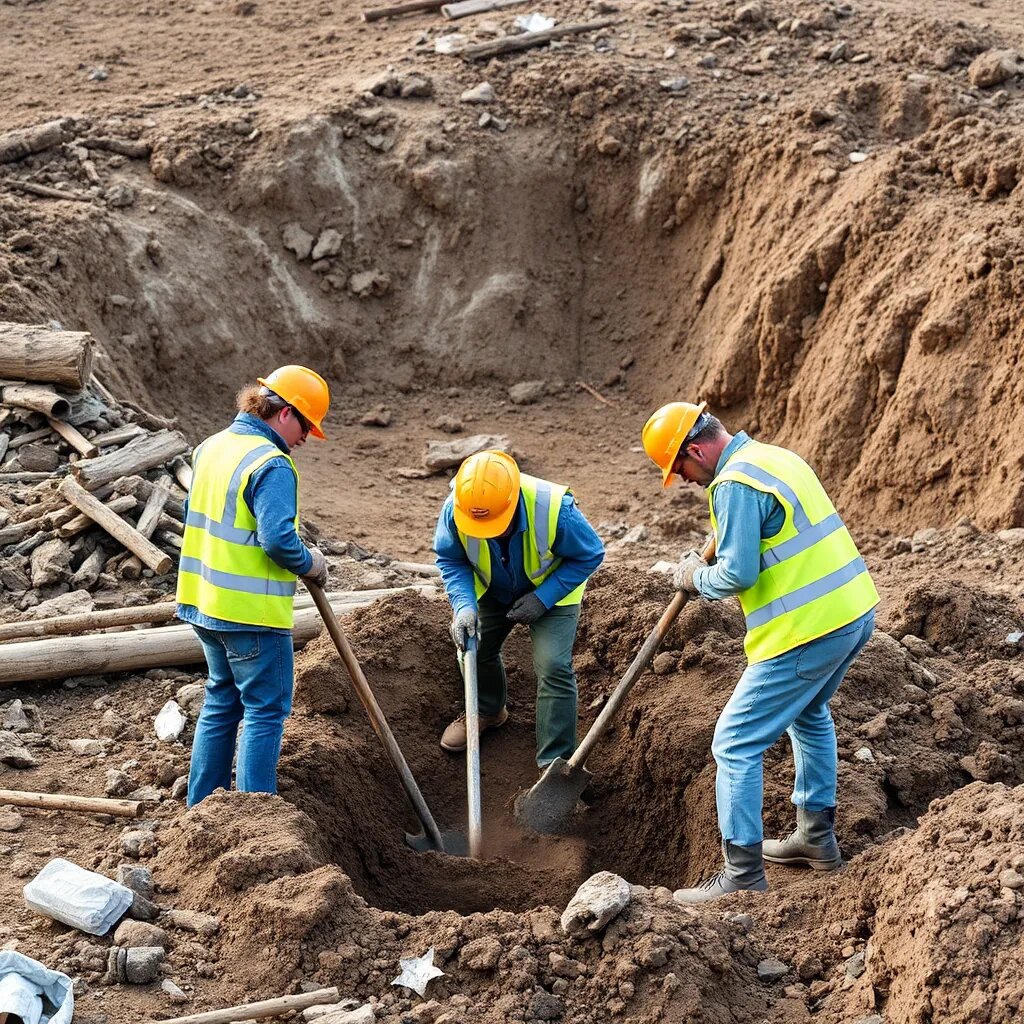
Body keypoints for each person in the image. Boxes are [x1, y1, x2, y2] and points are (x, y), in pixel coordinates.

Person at [642, 401, 878, 903]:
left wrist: (694, 577)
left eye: (679, 468)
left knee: (734, 743)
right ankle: (815, 838)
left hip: (807, 631)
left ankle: (742, 875)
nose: (682, 480)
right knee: (809, 714)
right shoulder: (773, 457)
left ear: (696, 450)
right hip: (853, 611)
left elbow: (737, 574)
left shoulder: (733, 485)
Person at [177, 365, 331, 807]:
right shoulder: (272, 464)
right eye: (306, 426)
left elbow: (198, 516)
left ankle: (202, 808)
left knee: (221, 701)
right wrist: (311, 563)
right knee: (265, 710)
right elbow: (278, 540)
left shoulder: (211, 446)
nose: (306, 438)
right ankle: (259, 817)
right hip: (251, 614)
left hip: (204, 603)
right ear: (285, 413)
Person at [432, 450, 605, 770]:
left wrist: (543, 598)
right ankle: (488, 710)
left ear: (513, 503)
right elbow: (451, 559)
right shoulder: (458, 508)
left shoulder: (555, 509)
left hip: (552, 590)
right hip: (492, 588)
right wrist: (464, 606)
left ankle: (555, 761)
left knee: (553, 665)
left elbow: (590, 554)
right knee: (471, 648)